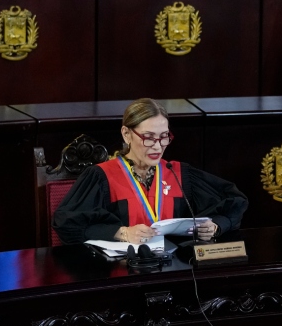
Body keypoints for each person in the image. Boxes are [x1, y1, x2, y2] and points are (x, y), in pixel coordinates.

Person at [53, 98, 248, 245]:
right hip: (120, 273)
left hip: (175, 270)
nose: (157, 146)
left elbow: (235, 201)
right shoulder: (102, 176)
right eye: (148, 137)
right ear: (126, 134)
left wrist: (216, 226)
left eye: (164, 137)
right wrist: (122, 233)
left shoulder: (179, 174)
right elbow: (66, 223)